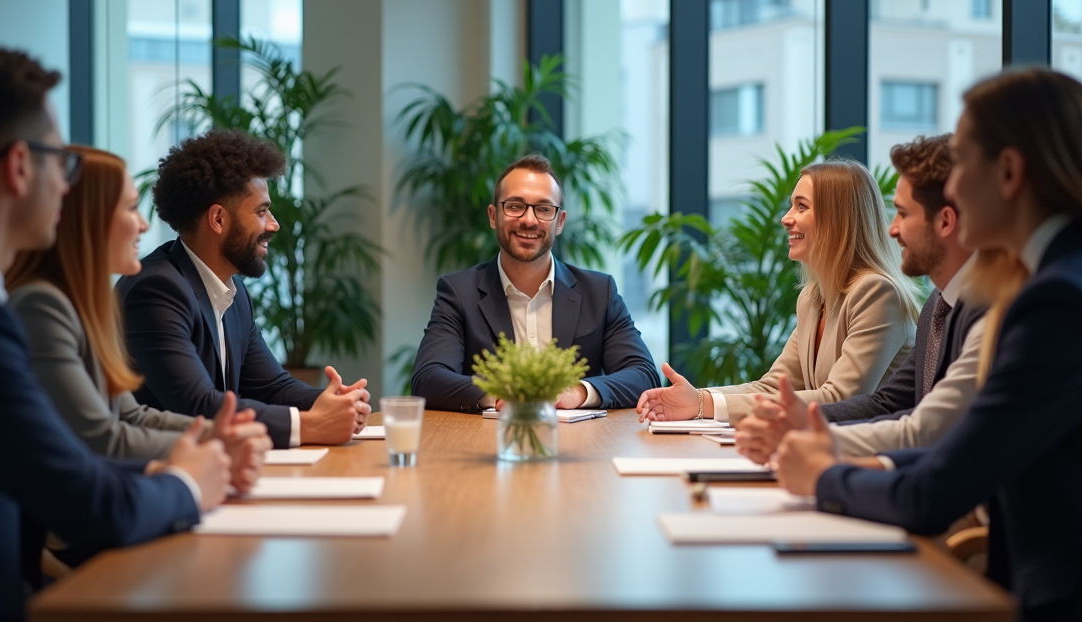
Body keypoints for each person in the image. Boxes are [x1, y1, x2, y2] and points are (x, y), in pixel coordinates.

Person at [764, 68, 1082, 622]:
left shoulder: (1057, 302)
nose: (951, 186)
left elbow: (940, 486)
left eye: (964, 162)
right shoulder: (1079, 278)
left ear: (1008, 173)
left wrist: (824, 476)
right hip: (1052, 612)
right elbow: (950, 454)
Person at [0, 43, 239, 622]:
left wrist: (172, 464)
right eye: (60, 161)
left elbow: (59, 461)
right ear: (17, 166)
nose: (67, 185)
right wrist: (185, 482)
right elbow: (87, 499)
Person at [7, 147, 272, 490]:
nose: (144, 224)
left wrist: (217, 433)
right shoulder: (42, 306)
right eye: (131, 208)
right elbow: (103, 438)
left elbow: (130, 415)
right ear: (89, 219)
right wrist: (215, 442)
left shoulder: (81, 305)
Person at [734, 135, 987, 463]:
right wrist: (700, 402)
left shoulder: (886, 294)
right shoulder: (937, 306)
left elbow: (923, 430)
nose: (891, 230)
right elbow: (887, 405)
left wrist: (816, 441)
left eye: (901, 213)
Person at [116, 129, 370, 448]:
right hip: (162, 478)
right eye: (261, 212)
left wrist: (332, 402)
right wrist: (309, 425)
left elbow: (272, 387)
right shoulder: (156, 290)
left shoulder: (231, 291)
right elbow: (199, 406)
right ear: (218, 219)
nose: (273, 224)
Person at [636, 159, 919, 426]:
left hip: (867, 458)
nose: (786, 219)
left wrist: (702, 404)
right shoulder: (812, 298)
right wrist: (697, 399)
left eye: (801, 207)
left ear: (837, 219)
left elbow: (841, 399)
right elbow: (771, 386)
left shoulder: (876, 292)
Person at [411, 154, 659, 412]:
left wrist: (578, 392)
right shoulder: (459, 293)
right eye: (515, 206)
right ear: (493, 216)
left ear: (559, 222)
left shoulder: (599, 292)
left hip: (581, 445)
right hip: (488, 444)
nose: (529, 220)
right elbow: (428, 378)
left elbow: (643, 375)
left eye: (543, 209)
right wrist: (499, 395)